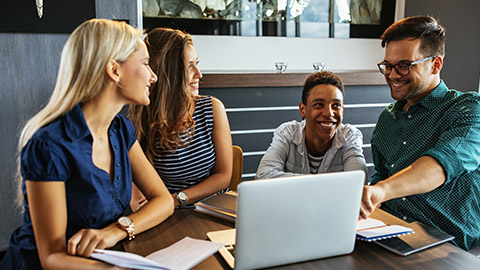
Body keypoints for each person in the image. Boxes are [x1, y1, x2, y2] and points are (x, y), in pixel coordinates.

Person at [0, 19, 174, 269]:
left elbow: (164, 201)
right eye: (146, 64)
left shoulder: (121, 129)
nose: (154, 76)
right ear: (114, 70)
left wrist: (116, 231)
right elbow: (52, 258)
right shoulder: (49, 145)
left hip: (103, 258)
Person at [359, 15, 480, 251]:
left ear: (435, 64)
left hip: (446, 245)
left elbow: (441, 164)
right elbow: (382, 175)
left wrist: (381, 190)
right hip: (388, 231)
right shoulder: (387, 118)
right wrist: (372, 195)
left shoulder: (468, 109)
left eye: (404, 65)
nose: (393, 75)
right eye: (388, 66)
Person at [128, 28, 232, 209]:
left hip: (211, 209)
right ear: (167, 73)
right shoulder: (142, 115)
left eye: (197, 63)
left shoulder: (213, 108)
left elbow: (224, 175)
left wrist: (177, 199)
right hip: (168, 214)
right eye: (189, 66)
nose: (199, 74)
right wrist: (141, 204)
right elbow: (131, 177)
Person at [255, 71, 367, 180]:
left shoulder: (350, 136)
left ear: (342, 110)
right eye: (319, 105)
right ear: (303, 109)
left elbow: (358, 183)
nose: (329, 113)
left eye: (336, 105)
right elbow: (263, 176)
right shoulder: (287, 133)